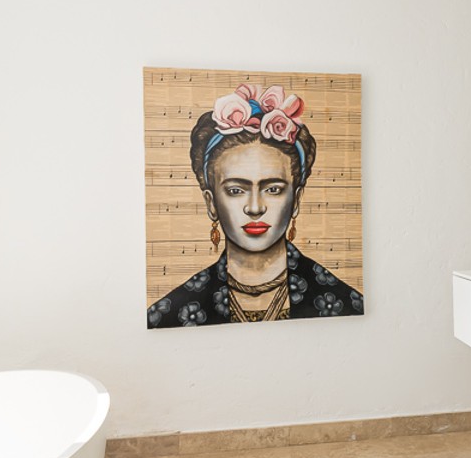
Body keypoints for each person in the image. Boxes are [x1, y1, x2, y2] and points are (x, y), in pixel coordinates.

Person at [148, 83, 363, 327]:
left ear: (296, 199)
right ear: (211, 203)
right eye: (236, 190)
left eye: (273, 189)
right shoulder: (169, 313)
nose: (255, 207)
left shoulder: (344, 302)